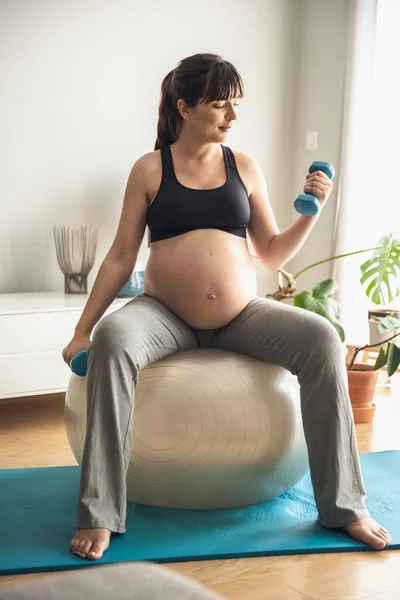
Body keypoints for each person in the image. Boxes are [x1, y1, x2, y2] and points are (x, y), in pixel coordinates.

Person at [62, 53, 391, 561]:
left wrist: (312, 211)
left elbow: (272, 251)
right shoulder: (151, 169)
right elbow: (122, 254)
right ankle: (100, 514)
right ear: (184, 107)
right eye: (221, 105)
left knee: (323, 337)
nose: (232, 117)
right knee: (112, 339)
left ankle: (345, 508)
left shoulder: (245, 167)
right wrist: (84, 330)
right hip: (163, 314)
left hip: (242, 315)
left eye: (236, 105)